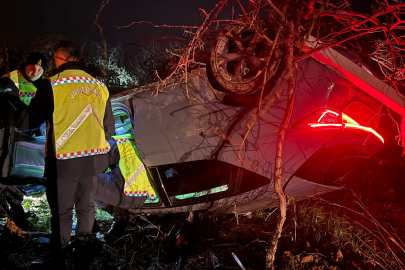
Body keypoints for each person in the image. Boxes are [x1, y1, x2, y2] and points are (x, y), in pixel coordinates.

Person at [23, 40, 115, 268]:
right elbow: (109, 128)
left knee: (62, 211)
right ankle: (83, 254)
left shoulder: (52, 84)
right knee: (86, 207)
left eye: (54, 59)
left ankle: (60, 256)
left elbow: (30, 121)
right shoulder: (100, 86)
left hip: (63, 161)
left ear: (61, 58)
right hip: (92, 160)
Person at [0, 52, 47, 226]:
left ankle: (13, 209)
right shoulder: (11, 79)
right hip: (7, 131)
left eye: (40, 68)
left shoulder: (39, 85)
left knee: (10, 170)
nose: (36, 71)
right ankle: (15, 211)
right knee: (5, 169)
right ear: (25, 65)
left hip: (20, 134)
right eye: (32, 66)